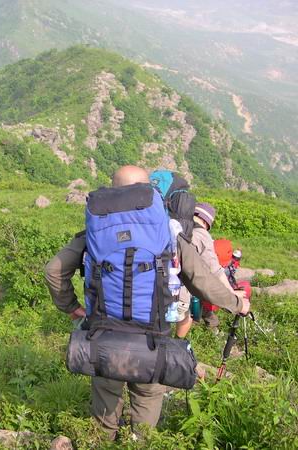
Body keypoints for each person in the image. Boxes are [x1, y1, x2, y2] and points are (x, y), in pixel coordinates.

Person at [44, 166, 249, 440]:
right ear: (150, 191)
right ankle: (138, 442)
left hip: (103, 338)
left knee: (104, 417)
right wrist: (237, 304)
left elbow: (53, 271)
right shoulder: (167, 232)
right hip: (153, 341)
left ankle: (104, 440)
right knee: (146, 412)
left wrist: (71, 307)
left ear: (112, 190)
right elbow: (202, 280)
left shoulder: (94, 231)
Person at [176, 203, 236, 337]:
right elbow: (215, 270)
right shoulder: (202, 235)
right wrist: (231, 293)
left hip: (158, 283)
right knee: (186, 319)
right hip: (179, 289)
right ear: (205, 222)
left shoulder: (176, 225)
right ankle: (176, 343)